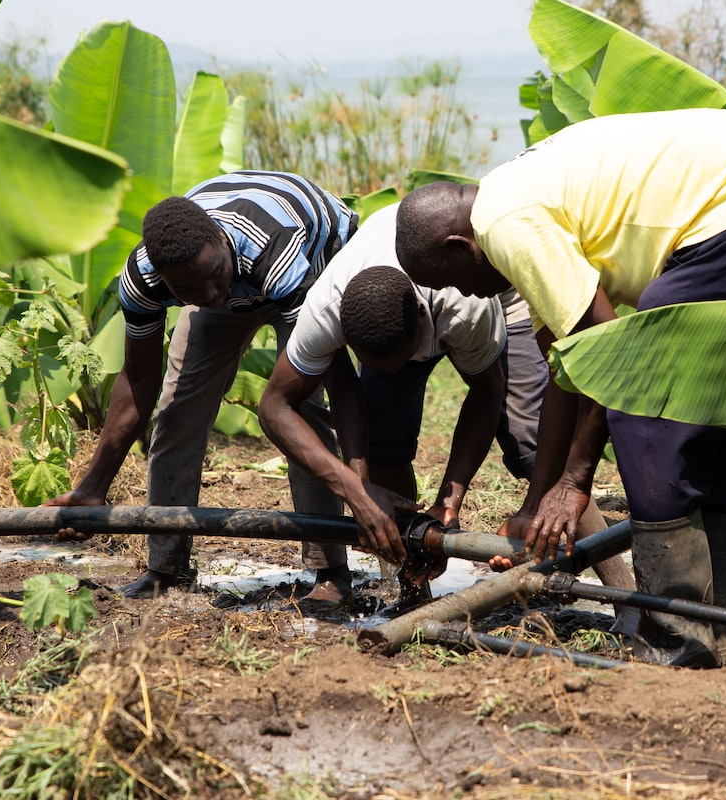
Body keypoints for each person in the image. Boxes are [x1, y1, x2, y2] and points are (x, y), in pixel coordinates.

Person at [395, 108, 726, 667]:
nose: (472, 295)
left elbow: (613, 358)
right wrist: (536, 502)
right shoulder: (516, 194)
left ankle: (675, 647)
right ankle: (712, 640)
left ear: (460, 246)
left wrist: (576, 482)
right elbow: (568, 370)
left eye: (455, 280)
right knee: (713, 411)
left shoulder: (507, 225)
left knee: (646, 413)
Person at [259, 202, 635, 601]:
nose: (391, 373)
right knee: (382, 441)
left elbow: (487, 393)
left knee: (533, 444)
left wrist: (448, 502)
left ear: (421, 323)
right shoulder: (326, 308)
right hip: (389, 300)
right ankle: (412, 588)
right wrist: (356, 487)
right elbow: (274, 406)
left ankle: (622, 595)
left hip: (500, 295)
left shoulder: (465, 307)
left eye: (398, 362)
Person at [48, 171, 357, 602]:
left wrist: (358, 480)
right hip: (244, 276)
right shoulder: (146, 278)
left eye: (212, 276)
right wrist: (92, 486)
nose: (209, 295)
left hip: (315, 263)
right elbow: (139, 381)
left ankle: (330, 572)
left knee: (302, 409)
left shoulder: (273, 250)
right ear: (165, 278)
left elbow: (329, 376)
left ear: (220, 240)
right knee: (176, 413)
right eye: (187, 290)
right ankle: (166, 566)